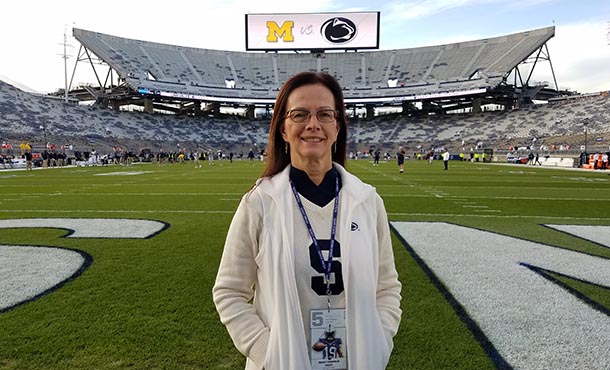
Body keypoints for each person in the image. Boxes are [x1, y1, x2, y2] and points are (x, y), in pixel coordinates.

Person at [213, 71, 402, 370]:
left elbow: (387, 288)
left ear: (337, 127)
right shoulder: (260, 202)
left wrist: (379, 341)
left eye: (325, 114)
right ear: (283, 129)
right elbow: (229, 291)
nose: (313, 124)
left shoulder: (367, 202)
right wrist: (270, 354)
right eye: (300, 114)